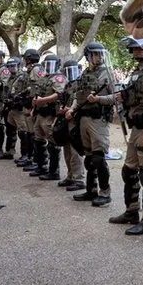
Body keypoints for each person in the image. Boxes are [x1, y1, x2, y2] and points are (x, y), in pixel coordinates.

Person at [92, 37, 143, 235]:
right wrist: (114, 98)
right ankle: (131, 211)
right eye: (133, 48)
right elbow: (127, 96)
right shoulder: (137, 73)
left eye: (139, 48)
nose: (135, 50)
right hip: (136, 129)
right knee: (128, 171)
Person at [71, 43, 115, 205]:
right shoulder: (85, 73)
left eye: (100, 54)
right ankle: (91, 190)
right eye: (95, 54)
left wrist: (99, 99)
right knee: (89, 158)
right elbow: (78, 95)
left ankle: (105, 193)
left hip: (98, 120)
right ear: (88, 56)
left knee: (98, 158)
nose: (98, 57)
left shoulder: (107, 74)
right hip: (83, 118)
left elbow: (116, 97)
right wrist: (73, 109)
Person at [30, 53, 66, 180]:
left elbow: (59, 94)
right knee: (38, 140)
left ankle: (54, 171)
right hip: (40, 113)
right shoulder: (44, 77)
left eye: (51, 65)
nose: (48, 67)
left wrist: (43, 100)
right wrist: (34, 108)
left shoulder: (58, 78)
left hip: (50, 114)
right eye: (46, 65)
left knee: (52, 143)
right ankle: (41, 166)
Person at [55, 59, 86, 191]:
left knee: (75, 152)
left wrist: (71, 110)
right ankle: (70, 176)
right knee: (67, 150)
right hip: (66, 120)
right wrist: (62, 110)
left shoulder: (82, 83)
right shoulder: (67, 85)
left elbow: (79, 100)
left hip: (76, 120)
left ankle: (78, 178)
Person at [13, 49, 41, 169]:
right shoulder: (30, 70)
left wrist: (33, 106)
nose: (24, 61)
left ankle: (34, 159)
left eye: (25, 59)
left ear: (29, 59)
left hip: (32, 106)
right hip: (28, 105)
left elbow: (36, 88)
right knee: (30, 133)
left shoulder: (36, 69)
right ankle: (30, 157)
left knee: (33, 134)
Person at [0, 56, 22, 160]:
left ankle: (27, 156)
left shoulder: (22, 77)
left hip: (19, 108)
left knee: (23, 132)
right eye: (9, 66)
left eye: (13, 66)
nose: (11, 68)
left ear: (18, 66)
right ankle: (9, 151)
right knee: (10, 130)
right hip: (8, 107)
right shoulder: (10, 77)